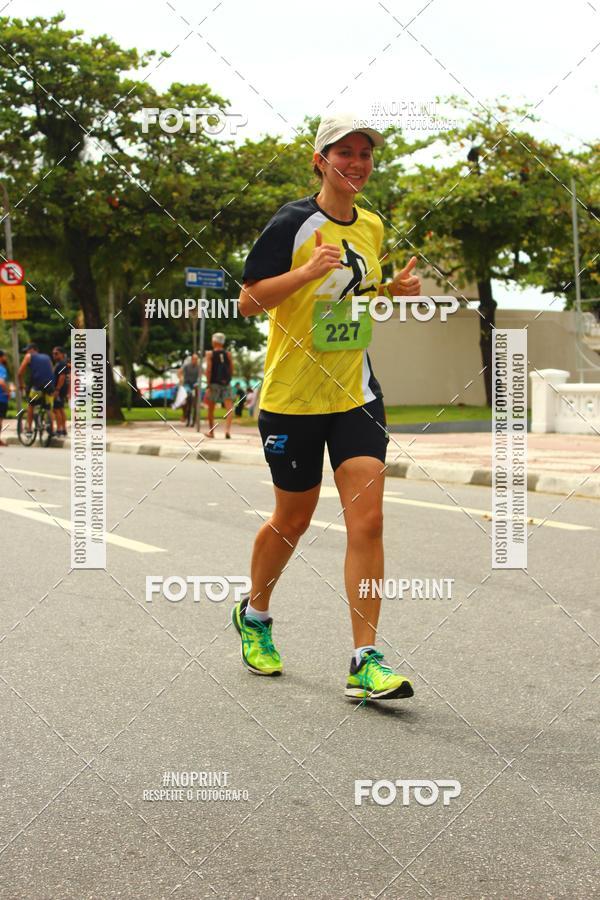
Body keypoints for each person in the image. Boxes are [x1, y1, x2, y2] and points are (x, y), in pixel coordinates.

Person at [233, 112, 421, 700]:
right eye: (346, 153)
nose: (357, 164)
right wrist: (305, 271)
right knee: (292, 518)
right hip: (292, 399)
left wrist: (392, 290)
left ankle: (365, 659)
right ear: (320, 160)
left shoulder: (371, 227)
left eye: (366, 154)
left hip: (354, 394)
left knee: (368, 520)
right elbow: (247, 303)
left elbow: (354, 295)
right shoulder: (292, 223)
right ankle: (255, 614)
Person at [18, 343, 55, 435]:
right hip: (50, 386)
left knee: (31, 405)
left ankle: (29, 429)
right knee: (49, 407)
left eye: (27, 350)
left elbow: (19, 373)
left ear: (33, 349)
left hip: (38, 386)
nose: (26, 352)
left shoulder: (28, 356)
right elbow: (52, 370)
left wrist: (21, 385)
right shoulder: (47, 357)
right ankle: (52, 429)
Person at [205, 333, 234, 438]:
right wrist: (228, 379)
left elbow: (208, 369)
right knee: (229, 408)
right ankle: (227, 431)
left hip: (214, 383)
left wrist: (208, 385)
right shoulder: (228, 354)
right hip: (226, 383)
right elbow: (231, 369)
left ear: (215, 341)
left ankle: (211, 432)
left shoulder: (210, 354)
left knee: (211, 409)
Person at [51, 346, 70, 437]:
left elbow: (62, 377)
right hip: (62, 389)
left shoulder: (62, 364)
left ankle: (59, 429)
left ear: (62, 354)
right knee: (61, 409)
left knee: (56, 409)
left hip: (59, 390)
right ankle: (64, 429)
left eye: (56, 353)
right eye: (53, 354)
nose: (54, 355)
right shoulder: (62, 363)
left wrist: (57, 389)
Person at [179, 353, 200, 426]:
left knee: (195, 403)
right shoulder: (187, 366)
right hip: (187, 384)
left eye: (196, 359)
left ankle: (194, 420)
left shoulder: (199, 367)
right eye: (194, 359)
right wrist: (181, 378)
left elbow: (202, 376)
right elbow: (180, 372)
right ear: (192, 359)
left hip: (195, 385)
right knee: (186, 399)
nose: (195, 360)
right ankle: (185, 415)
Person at [0, 349, 9, 447]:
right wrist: (8, 392)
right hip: (1, 397)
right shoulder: (1, 368)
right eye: (4, 356)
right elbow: (1, 382)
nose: (5, 358)